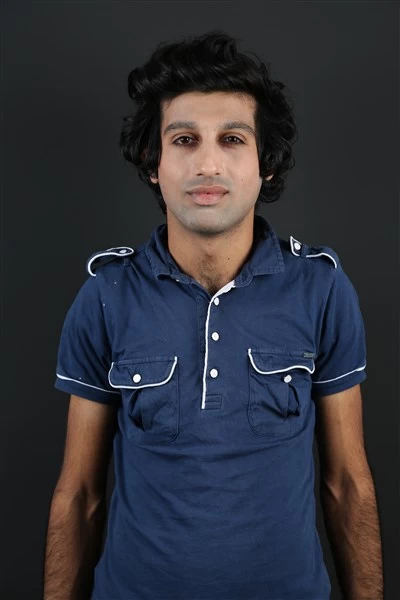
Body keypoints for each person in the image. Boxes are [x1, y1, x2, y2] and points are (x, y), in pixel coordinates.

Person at [43, 30, 383, 600]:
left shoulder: (321, 289)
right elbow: (79, 496)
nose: (206, 162)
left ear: (265, 163)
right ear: (153, 162)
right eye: (183, 139)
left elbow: (348, 485)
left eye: (231, 139)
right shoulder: (105, 296)